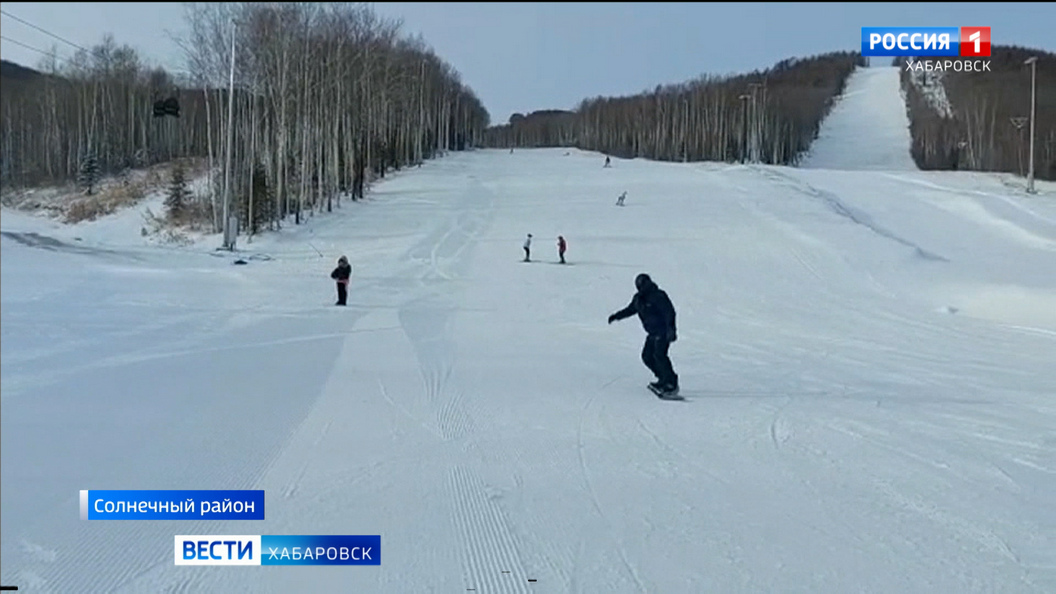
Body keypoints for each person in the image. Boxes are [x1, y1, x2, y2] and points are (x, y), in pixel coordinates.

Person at [607, 273, 679, 396]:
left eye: (644, 284)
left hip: (663, 331)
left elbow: (669, 312)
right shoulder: (638, 299)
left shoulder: (658, 296)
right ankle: (663, 378)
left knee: (660, 355)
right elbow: (630, 310)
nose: (642, 287)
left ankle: (671, 383)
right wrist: (616, 316)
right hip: (652, 332)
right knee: (647, 357)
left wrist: (671, 329)